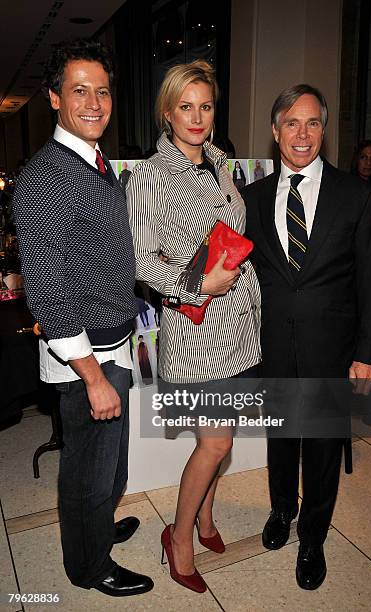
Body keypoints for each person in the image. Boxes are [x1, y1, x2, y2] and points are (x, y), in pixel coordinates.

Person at [13, 39, 153, 598]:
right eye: (79, 91)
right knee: (88, 471)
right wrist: (93, 376)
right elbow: (47, 291)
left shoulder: (94, 161)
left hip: (111, 343)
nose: (94, 102)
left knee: (110, 466)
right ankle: (88, 565)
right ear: (53, 98)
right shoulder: (48, 175)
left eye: (102, 91)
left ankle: (96, 525)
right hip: (85, 359)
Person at [243, 84, 371, 590]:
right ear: (276, 130)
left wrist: (369, 353)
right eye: (291, 123)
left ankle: (313, 540)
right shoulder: (253, 198)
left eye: (312, 124)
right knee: (281, 440)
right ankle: (282, 511)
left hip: (333, 349)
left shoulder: (356, 194)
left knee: (323, 448)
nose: (301, 134)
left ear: (324, 130)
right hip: (274, 347)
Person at [127, 60, 261, 593]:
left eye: (205, 106)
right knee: (215, 440)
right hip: (197, 323)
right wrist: (198, 287)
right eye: (186, 106)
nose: (198, 117)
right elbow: (141, 263)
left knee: (220, 443)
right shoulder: (149, 176)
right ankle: (178, 538)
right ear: (167, 112)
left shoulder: (223, 166)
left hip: (239, 328)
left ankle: (205, 520)